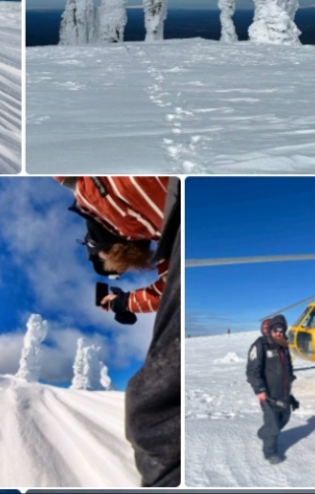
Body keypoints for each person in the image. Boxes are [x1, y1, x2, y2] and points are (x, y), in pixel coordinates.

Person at [57, 176, 180, 487]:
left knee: (154, 418)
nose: (117, 270)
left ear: (100, 242)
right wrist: (123, 302)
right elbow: (165, 289)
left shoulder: (94, 194)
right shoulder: (164, 237)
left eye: (109, 265)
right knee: (152, 418)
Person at [246, 315, 299, 464]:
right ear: (270, 330)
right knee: (273, 424)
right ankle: (270, 453)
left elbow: (288, 367)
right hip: (268, 393)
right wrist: (260, 390)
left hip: (283, 391)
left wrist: (290, 387)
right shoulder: (260, 345)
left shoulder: (283, 345)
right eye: (275, 330)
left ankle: (265, 433)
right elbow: (252, 370)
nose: (278, 333)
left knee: (285, 417)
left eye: (281, 330)